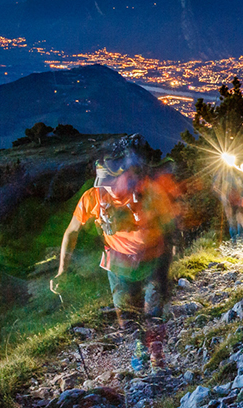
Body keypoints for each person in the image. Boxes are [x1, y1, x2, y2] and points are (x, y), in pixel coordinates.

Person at [52, 139, 180, 371]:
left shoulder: (149, 192)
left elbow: (169, 223)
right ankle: (139, 352)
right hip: (119, 263)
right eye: (106, 184)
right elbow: (71, 232)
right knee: (127, 316)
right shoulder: (92, 198)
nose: (110, 190)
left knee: (153, 311)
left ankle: (157, 355)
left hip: (153, 258)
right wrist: (62, 271)